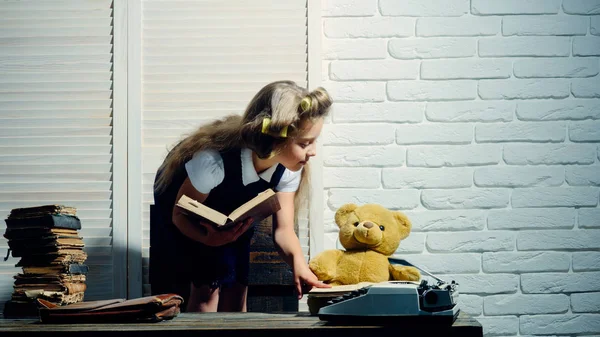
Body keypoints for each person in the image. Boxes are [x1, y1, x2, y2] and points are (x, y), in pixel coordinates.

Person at [150, 80, 332, 312]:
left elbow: (283, 230)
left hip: (233, 214)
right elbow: (179, 215)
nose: (313, 151)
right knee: (206, 290)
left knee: (237, 289)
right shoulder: (213, 163)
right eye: (305, 143)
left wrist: (299, 263)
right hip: (186, 214)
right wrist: (207, 239)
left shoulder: (288, 168)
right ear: (274, 139)